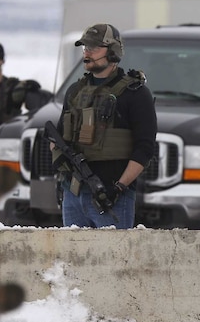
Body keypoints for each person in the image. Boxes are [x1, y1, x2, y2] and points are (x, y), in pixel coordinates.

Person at [51, 23, 157, 229]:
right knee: (71, 260)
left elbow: (145, 149)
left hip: (111, 200)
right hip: (73, 195)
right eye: (85, 48)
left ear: (113, 52)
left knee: (115, 259)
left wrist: (118, 187)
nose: (87, 53)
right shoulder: (75, 91)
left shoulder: (135, 94)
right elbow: (57, 138)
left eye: (93, 48)